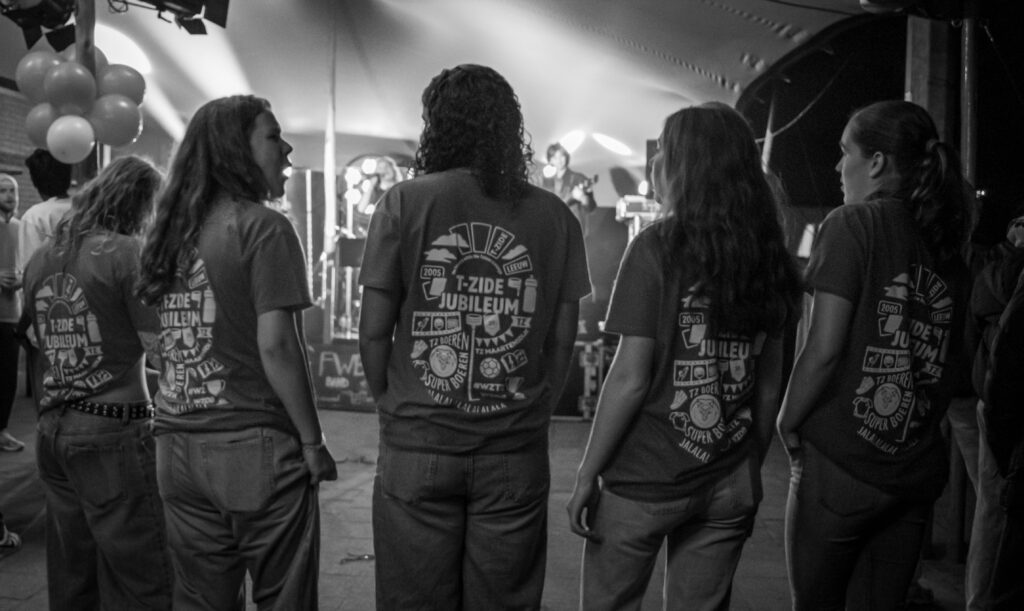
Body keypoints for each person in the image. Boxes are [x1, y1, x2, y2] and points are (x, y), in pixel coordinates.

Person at [359, 64, 591, 610]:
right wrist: (538, 407)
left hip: (418, 439)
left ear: (436, 127)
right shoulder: (556, 217)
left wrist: (390, 402)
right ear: (509, 127)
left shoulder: (403, 203)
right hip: (513, 446)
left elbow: (373, 332)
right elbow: (563, 342)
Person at [566, 102, 802, 609]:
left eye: (664, 152)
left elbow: (629, 379)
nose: (654, 163)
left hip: (643, 478)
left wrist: (587, 473)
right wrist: (748, 466)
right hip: (728, 478)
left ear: (685, 166)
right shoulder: (770, 257)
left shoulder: (655, 247)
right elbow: (768, 385)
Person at [137, 95, 337, 610]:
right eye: (273, 137)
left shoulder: (167, 235)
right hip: (251, 444)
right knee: (284, 596)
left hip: (175, 448)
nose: (287, 149)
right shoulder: (264, 228)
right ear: (236, 150)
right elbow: (277, 345)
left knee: (200, 600)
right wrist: (312, 442)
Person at [777, 100, 971, 610]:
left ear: (878, 162)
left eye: (846, 152)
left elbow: (823, 349)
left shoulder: (851, 224)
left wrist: (786, 420)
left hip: (843, 461)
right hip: (914, 469)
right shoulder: (947, 243)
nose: (838, 167)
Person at [22, 155, 172, 608]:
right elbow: (162, 351)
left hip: (53, 429)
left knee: (73, 578)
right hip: (113, 430)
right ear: (141, 205)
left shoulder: (42, 258)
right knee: (144, 578)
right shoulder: (127, 254)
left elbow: (36, 338)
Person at [971, 203, 1024, 609]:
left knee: (992, 512)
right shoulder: (1004, 264)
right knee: (992, 512)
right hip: (999, 407)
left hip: (1000, 407)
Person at [17, 149, 72, 406]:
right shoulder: (85, 209)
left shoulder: (35, 216)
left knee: (47, 397)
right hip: (84, 311)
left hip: (46, 318)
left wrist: (23, 325)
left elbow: (31, 275)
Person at [0, 173, 23, 452]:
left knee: (7, 378)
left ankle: (2, 431)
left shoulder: (20, 227)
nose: (8, 196)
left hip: (11, 313)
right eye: (3, 190)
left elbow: (28, 264)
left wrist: (21, 279)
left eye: (12, 190)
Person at [538, 142, 597, 217]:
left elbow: (592, 209)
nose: (559, 160)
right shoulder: (545, 180)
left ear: (566, 157)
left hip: (570, 221)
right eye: (555, 158)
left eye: (561, 156)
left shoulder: (578, 178)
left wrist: (583, 198)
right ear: (550, 160)